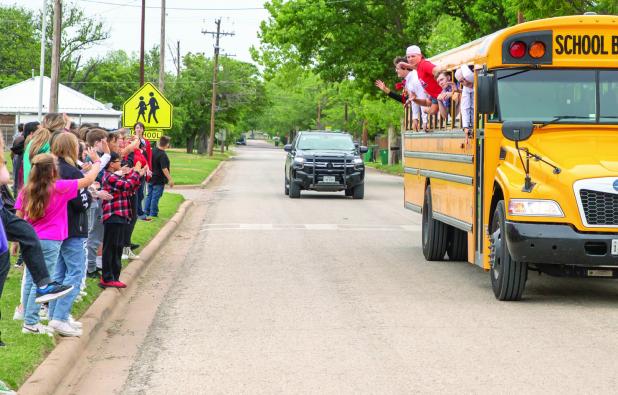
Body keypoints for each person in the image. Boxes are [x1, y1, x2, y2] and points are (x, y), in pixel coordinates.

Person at [15, 147, 101, 335]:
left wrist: (16, 244)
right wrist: (97, 163)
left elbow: (18, 217)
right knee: (43, 284)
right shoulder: (59, 187)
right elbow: (88, 181)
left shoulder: (25, 191)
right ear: (53, 170)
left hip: (30, 239)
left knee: (31, 280)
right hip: (51, 241)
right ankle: (31, 322)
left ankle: (29, 320)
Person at [46, 133, 92, 336]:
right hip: (73, 227)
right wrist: (90, 193)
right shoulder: (73, 172)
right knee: (75, 272)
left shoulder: (51, 170)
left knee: (59, 273)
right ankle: (60, 317)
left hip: (57, 227)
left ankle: (55, 315)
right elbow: (81, 203)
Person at [100, 152, 143, 288]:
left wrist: (135, 175)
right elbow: (127, 186)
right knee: (111, 247)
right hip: (113, 216)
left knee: (117, 247)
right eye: (119, 161)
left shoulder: (116, 176)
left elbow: (131, 189)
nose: (121, 164)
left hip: (121, 215)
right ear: (111, 164)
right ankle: (107, 278)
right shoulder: (109, 177)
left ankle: (114, 277)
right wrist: (136, 172)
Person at [398, 45, 442, 116]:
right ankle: (416, 101)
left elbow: (437, 70)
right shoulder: (419, 67)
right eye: (408, 57)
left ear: (420, 56)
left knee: (432, 110)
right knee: (427, 105)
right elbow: (416, 68)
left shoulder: (424, 64)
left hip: (440, 94)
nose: (410, 59)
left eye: (413, 56)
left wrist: (441, 82)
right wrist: (407, 65)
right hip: (433, 96)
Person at [144, 135, 174, 218]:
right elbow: (164, 169)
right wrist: (170, 179)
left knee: (149, 195)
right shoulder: (162, 155)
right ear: (166, 144)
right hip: (159, 180)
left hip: (150, 178)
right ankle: (153, 213)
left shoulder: (152, 151)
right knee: (155, 197)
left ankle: (146, 211)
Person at [455, 64, 475, 132]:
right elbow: (465, 107)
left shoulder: (477, 80)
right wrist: (466, 126)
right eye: (461, 81)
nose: (465, 82)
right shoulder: (466, 88)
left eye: (465, 78)